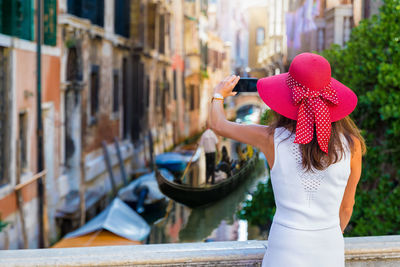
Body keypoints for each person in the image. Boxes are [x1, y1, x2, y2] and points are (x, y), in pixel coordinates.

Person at [209, 53, 365, 267]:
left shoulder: (271, 139)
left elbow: (218, 124)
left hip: (285, 248)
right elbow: (347, 207)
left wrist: (219, 94)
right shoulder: (353, 145)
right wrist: (324, 238)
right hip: (329, 248)